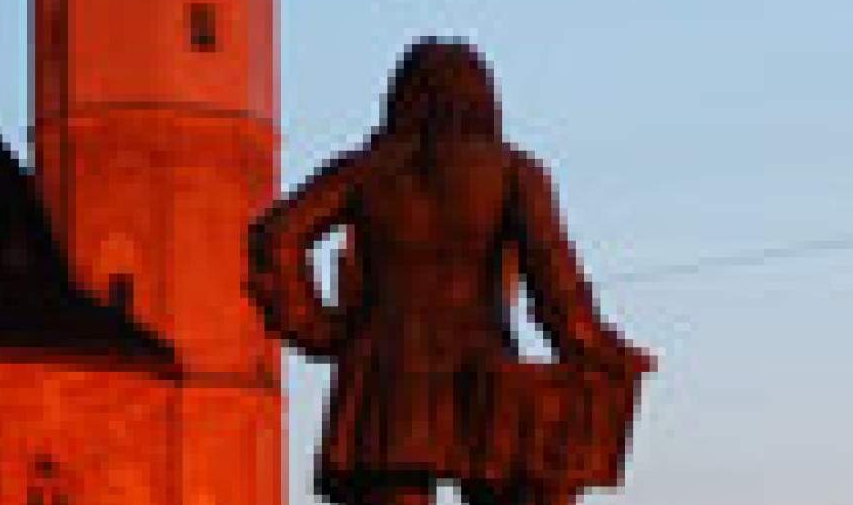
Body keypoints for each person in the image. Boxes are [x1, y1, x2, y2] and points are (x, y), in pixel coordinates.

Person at [248, 39, 650, 505]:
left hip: (381, 375)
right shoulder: (512, 171)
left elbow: (275, 237)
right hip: (480, 375)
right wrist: (602, 350)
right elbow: (557, 288)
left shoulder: (364, 171)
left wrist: (320, 329)